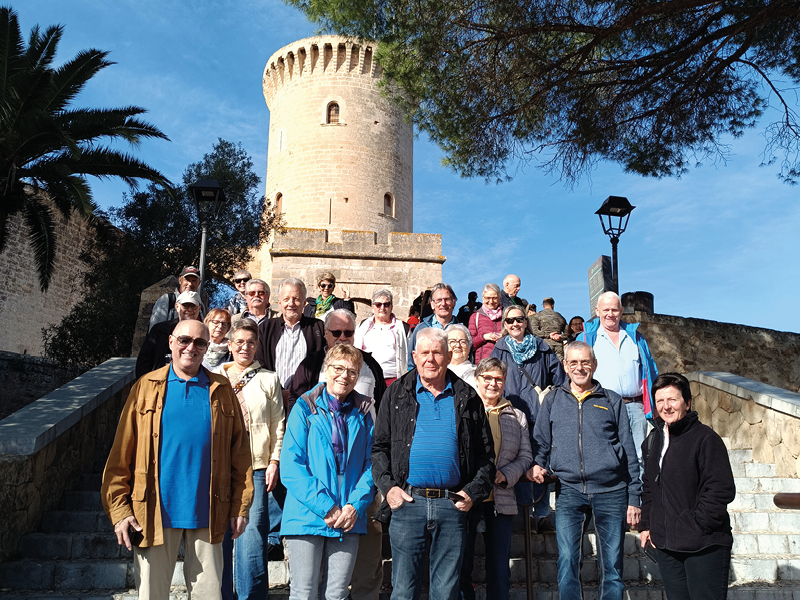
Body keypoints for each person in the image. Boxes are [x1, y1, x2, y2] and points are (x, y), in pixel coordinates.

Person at [101, 319, 253, 600]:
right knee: (152, 595)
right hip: (153, 511)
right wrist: (120, 510)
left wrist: (240, 507)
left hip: (209, 511)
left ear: (208, 347)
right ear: (171, 342)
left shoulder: (221, 389)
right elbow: (121, 453)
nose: (191, 347)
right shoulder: (146, 386)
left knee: (209, 596)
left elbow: (240, 455)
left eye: (200, 342)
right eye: (184, 340)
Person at [372, 327, 495, 600]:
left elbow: (486, 455)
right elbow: (379, 448)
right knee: (403, 590)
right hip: (407, 503)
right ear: (414, 356)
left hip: (452, 506)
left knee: (446, 592)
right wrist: (389, 489)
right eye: (424, 353)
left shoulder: (468, 396)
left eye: (437, 353)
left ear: (449, 356)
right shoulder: (396, 395)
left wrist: (472, 494)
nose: (430, 359)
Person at [531, 341, 641, 600]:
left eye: (585, 362)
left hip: (612, 490)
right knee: (568, 560)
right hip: (569, 490)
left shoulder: (611, 400)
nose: (580, 368)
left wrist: (634, 496)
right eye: (574, 363)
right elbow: (541, 442)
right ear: (566, 367)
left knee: (612, 565)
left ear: (594, 365)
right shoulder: (553, 399)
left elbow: (628, 449)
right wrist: (538, 464)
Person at [280, 344, 376, 600]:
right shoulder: (305, 407)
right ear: (326, 369)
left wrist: (354, 506)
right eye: (339, 368)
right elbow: (291, 465)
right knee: (304, 593)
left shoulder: (363, 412)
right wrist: (326, 506)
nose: (344, 376)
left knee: (337, 594)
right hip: (307, 515)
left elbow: (371, 465)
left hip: (348, 516)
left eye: (352, 372)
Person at [639, 373, 735, 600]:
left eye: (673, 400)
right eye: (660, 401)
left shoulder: (705, 439)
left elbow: (721, 489)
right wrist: (647, 524)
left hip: (704, 544)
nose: (666, 407)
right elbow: (649, 486)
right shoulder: (653, 440)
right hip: (667, 546)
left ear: (688, 403)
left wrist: (697, 524)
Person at [218, 319, 285, 600]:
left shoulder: (268, 378)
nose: (245, 347)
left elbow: (278, 423)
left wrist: (274, 461)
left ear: (257, 346)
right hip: (219, 466)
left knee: (252, 535)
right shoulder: (215, 376)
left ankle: (252, 595)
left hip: (256, 466)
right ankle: (220, 594)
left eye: (251, 342)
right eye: (240, 342)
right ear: (230, 345)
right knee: (219, 534)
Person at [459, 358, 533, 600]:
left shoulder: (517, 416)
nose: (493, 383)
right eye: (487, 378)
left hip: (500, 499)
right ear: (477, 380)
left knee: (500, 569)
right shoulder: (463, 410)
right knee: (462, 565)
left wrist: (508, 474)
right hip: (467, 498)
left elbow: (525, 455)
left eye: (498, 379)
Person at [490, 304, 566, 532]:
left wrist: (552, 401)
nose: (515, 324)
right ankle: (523, 514)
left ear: (526, 321)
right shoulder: (500, 349)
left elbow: (559, 379)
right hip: (512, 416)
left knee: (540, 463)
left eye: (519, 319)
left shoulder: (542, 347)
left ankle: (541, 515)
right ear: (504, 324)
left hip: (540, 415)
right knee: (519, 463)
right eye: (510, 320)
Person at [578, 291, 658, 470]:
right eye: (606, 309)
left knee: (639, 458)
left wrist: (654, 404)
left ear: (621, 311)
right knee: (606, 457)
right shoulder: (586, 338)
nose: (610, 314)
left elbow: (651, 370)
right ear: (597, 311)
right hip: (601, 405)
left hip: (635, 406)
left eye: (614, 309)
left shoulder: (635, 337)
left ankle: (638, 498)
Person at [287, 308, 387, 413]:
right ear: (326, 333)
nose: (343, 337)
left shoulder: (371, 365)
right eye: (336, 333)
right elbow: (296, 402)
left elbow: (383, 403)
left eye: (348, 333)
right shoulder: (310, 365)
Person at [255, 277, 325, 392]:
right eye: (286, 299)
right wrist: (278, 392)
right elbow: (259, 363)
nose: (291, 304)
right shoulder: (265, 328)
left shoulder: (317, 328)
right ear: (279, 302)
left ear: (304, 303)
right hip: (273, 398)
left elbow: (323, 364)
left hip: (308, 400)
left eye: (296, 299)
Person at [136, 291, 202, 379]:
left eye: (193, 306)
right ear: (177, 307)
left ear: (199, 308)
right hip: (160, 383)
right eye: (185, 305)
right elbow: (144, 360)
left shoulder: (204, 334)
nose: (189, 309)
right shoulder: (160, 330)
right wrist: (144, 384)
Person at [354, 289, 409, 386]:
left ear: (391, 307)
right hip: (367, 379)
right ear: (372, 307)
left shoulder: (403, 328)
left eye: (386, 304)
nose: (382, 308)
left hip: (393, 381)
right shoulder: (362, 327)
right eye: (378, 304)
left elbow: (411, 356)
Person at [406, 282, 459, 368]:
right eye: (439, 300)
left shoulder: (462, 330)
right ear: (432, 304)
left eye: (447, 299)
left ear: (454, 303)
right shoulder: (421, 329)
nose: (443, 304)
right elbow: (412, 362)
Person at [149, 266, 204, 330]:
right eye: (187, 280)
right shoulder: (167, 299)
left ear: (199, 283)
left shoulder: (201, 306)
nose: (190, 284)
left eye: (194, 280)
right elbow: (154, 330)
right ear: (180, 280)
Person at [469, 283, 503, 363]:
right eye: (488, 298)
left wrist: (504, 338)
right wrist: (484, 337)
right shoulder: (475, 317)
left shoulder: (507, 316)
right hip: (483, 364)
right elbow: (470, 344)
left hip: (504, 363)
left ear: (500, 298)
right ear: (482, 298)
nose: (491, 301)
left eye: (494, 298)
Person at [445, 324, 477, 390]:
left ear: (469, 348)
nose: (457, 345)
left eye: (463, 342)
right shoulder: (439, 373)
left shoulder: (477, 374)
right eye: (452, 341)